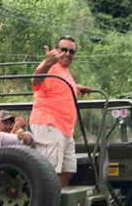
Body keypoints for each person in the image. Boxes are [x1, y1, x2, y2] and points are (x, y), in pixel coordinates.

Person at [29, 35, 92, 187]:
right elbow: (36, 81)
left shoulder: (64, 71)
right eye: (64, 50)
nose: (68, 54)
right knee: (49, 172)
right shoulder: (49, 66)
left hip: (65, 130)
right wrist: (48, 63)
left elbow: (56, 87)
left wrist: (75, 88)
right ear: (55, 50)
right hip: (49, 124)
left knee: (69, 169)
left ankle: (56, 202)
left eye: (72, 52)